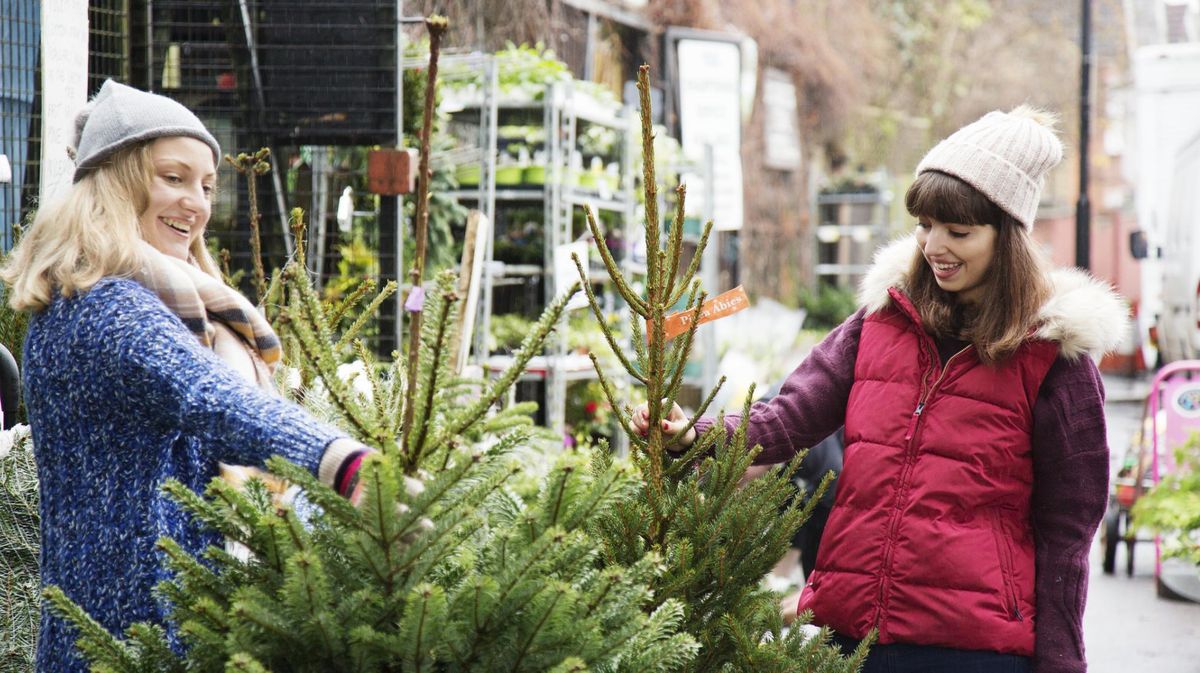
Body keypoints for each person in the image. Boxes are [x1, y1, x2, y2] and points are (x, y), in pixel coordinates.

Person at [635, 106, 1124, 673]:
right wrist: (690, 433)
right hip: (849, 637)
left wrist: (1061, 660)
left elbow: (1070, 528)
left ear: (1008, 236)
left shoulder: (1053, 357)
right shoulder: (878, 322)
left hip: (971, 650)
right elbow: (788, 418)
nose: (933, 246)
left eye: (958, 231)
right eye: (924, 225)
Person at [0, 80, 374, 673]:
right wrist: (344, 464)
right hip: (128, 641)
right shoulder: (104, 309)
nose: (196, 204)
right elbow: (214, 400)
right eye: (172, 178)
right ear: (117, 180)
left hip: (147, 633)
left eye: (205, 185)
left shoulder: (155, 305)